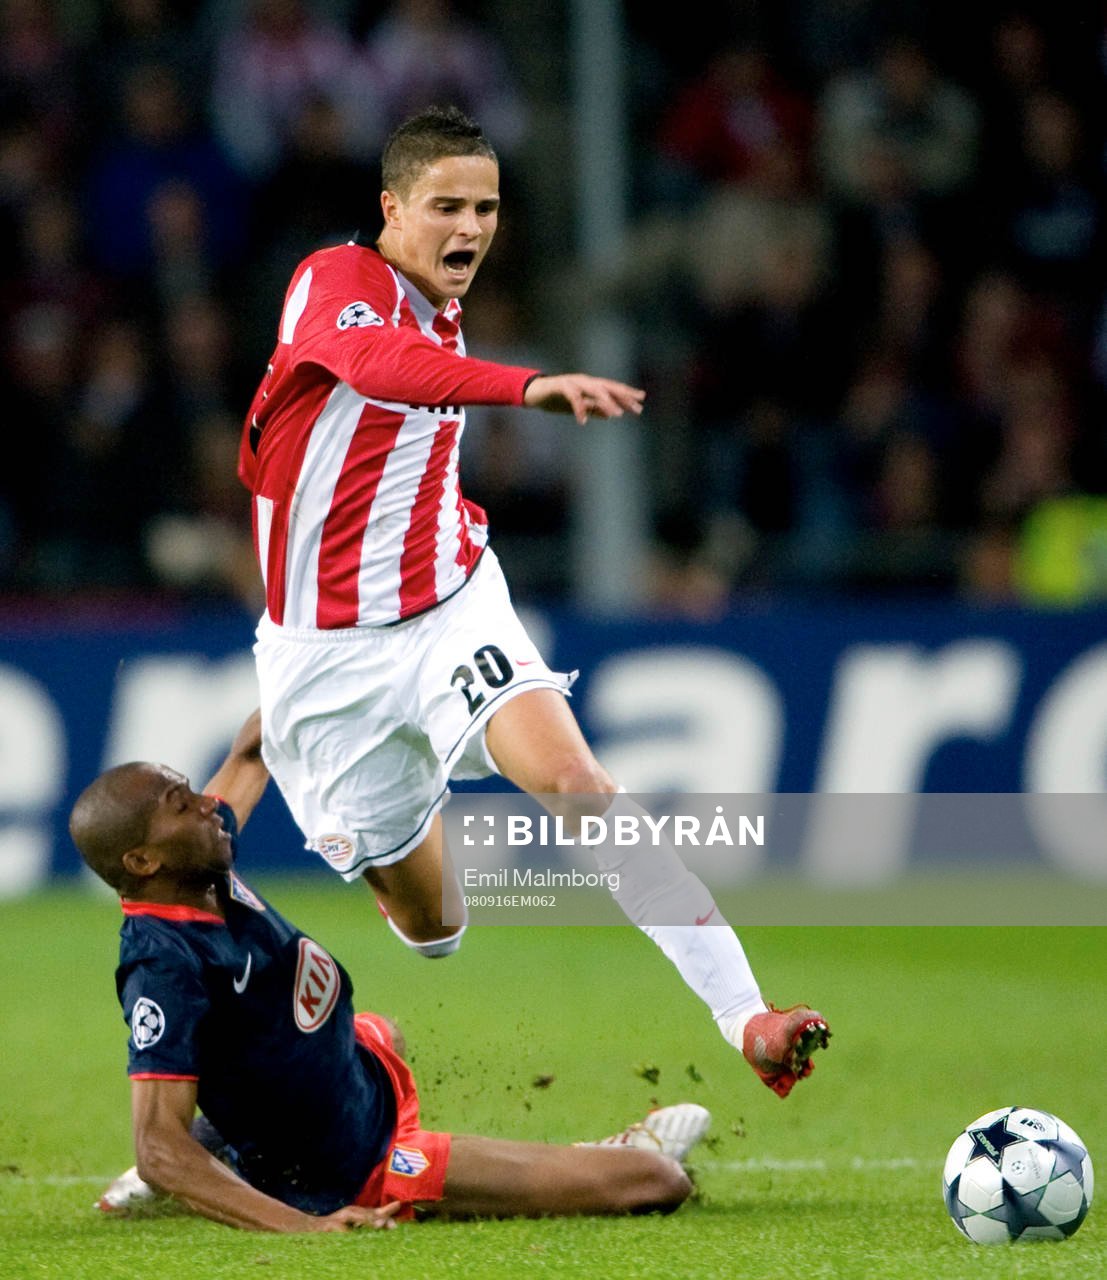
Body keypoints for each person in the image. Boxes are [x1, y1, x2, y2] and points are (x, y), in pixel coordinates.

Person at [237, 103, 830, 1098]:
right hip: (326, 657)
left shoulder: (443, 308)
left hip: (449, 607)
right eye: (445, 206)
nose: (469, 228)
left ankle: (747, 1016)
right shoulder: (334, 283)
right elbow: (379, 368)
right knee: (435, 928)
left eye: (486, 207)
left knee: (576, 782)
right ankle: (403, 843)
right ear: (391, 208)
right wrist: (525, 386)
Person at [71, 710, 709, 1231]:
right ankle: (598, 1161)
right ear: (143, 862)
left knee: (384, 1031)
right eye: (181, 805)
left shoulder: (202, 868)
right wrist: (307, 1228)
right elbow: (156, 1147)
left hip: (356, 1077)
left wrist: (333, 675)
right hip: (359, 1166)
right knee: (657, 1180)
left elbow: (250, 752)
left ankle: (228, 1153)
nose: (208, 806)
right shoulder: (164, 965)